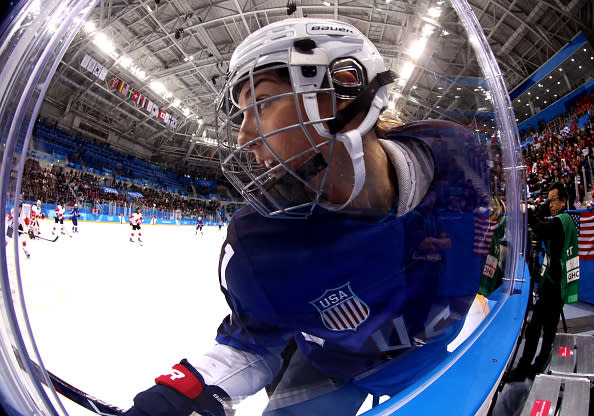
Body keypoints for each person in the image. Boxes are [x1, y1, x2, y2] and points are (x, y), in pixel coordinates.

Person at [125, 18, 484, 416]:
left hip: (430, 358)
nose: (243, 138)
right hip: (332, 367)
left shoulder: (457, 154)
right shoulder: (259, 245)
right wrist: (181, 394)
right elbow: (248, 344)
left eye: (261, 103)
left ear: (344, 89)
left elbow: (487, 234)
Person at [507, 182, 579, 381]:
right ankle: (538, 366)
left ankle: (523, 370)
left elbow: (541, 230)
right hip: (558, 281)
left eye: (554, 200)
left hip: (553, 283)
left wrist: (528, 214)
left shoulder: (561, 220)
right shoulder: (566, 220)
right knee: (549, 328)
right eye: (549, 201)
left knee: (534, 328)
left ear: (564, 201)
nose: (551, 205)